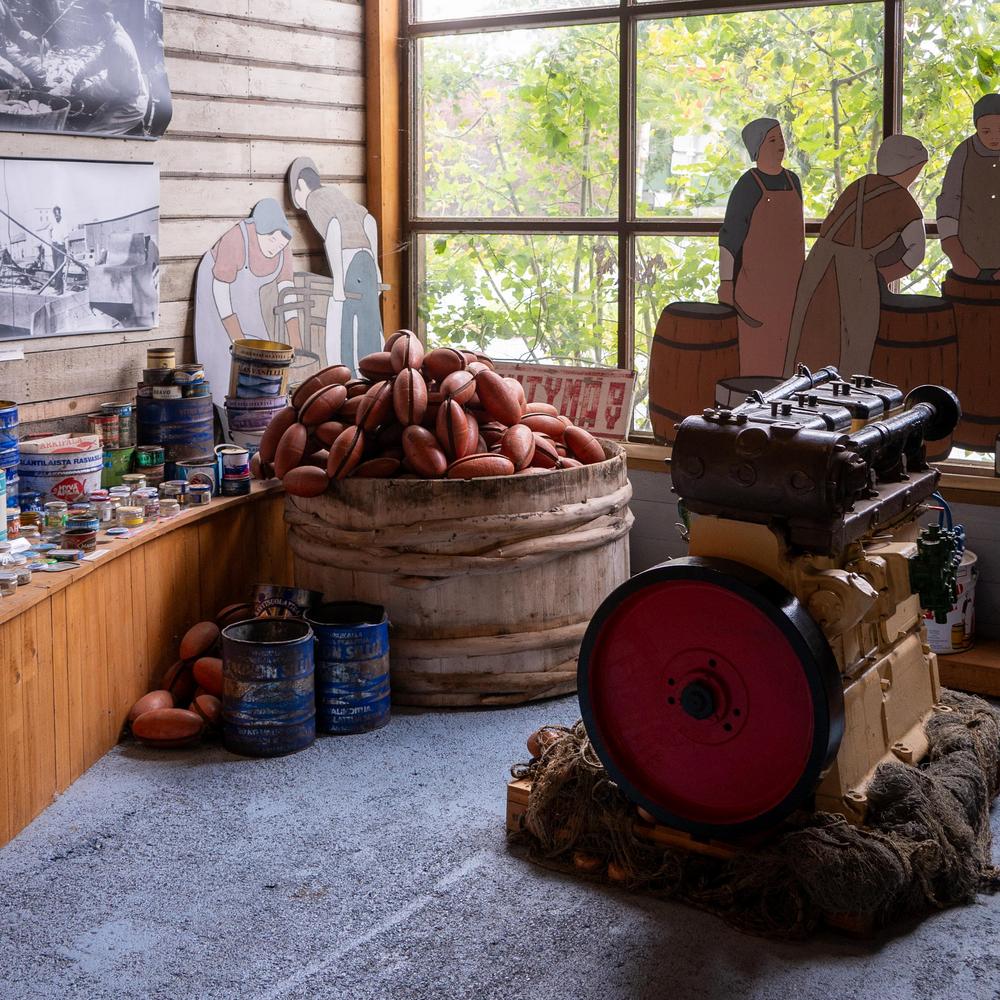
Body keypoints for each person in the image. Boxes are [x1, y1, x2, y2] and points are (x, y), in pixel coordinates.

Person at [783, 134, 928, 378]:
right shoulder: (903, 201)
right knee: (852, 346)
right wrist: (882, 276)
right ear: (909, 168)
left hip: (818, 265)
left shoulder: (859, 185)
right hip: (857, 273)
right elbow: (917, 251)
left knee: (810, 337)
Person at [718, 117, 805, 375]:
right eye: (772, 140)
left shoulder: (793, 181)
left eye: (781, 138)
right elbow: (730, 239)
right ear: (757, 148)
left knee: (790, 359)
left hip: (792, 290)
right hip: (757, 293)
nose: (780, 145)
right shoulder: (748, 186)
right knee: (757, 359)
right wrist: (726, 284)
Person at [289, 156, 384, 373]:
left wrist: (339, 282)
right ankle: (373, 372)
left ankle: (345, 373)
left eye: (296, 194)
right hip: (366, 260)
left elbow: (333, 229)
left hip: (348, 261)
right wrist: (377, 270)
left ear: (301, 185)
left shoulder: (314, 200)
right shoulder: (336, 195)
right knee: (369, 319)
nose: (299, 204)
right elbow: (369, 220)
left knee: (341, 319)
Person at [195, 199, 300, 347]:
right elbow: (220, 290)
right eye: (272, 240)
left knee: (260, 344)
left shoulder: (283, 249)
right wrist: (237, 338)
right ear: (259, 231)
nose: (275, 248)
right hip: (216, 286)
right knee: (221, 345)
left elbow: (287, 291)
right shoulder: (236, 238)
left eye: (280, 245)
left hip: (248, 293)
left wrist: (296, 340)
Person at [936, 93, 1000, 281]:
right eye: (986, 131)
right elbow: (948, 202)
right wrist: (956, 255)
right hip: (968, 258)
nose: (994, 137)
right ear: (976, 128)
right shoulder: (963, 152)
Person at [70, 8, 148, 135]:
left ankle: (135, 129)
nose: (93, 28)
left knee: (91, 135)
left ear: (104, 19)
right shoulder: (115, 34)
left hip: (130, 105)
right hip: (122, 97)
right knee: (94, 118)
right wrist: (81, 74)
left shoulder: (117, 43)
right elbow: (101, 60)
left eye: (93, 23)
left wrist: (87, 93)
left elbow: (113, 86)